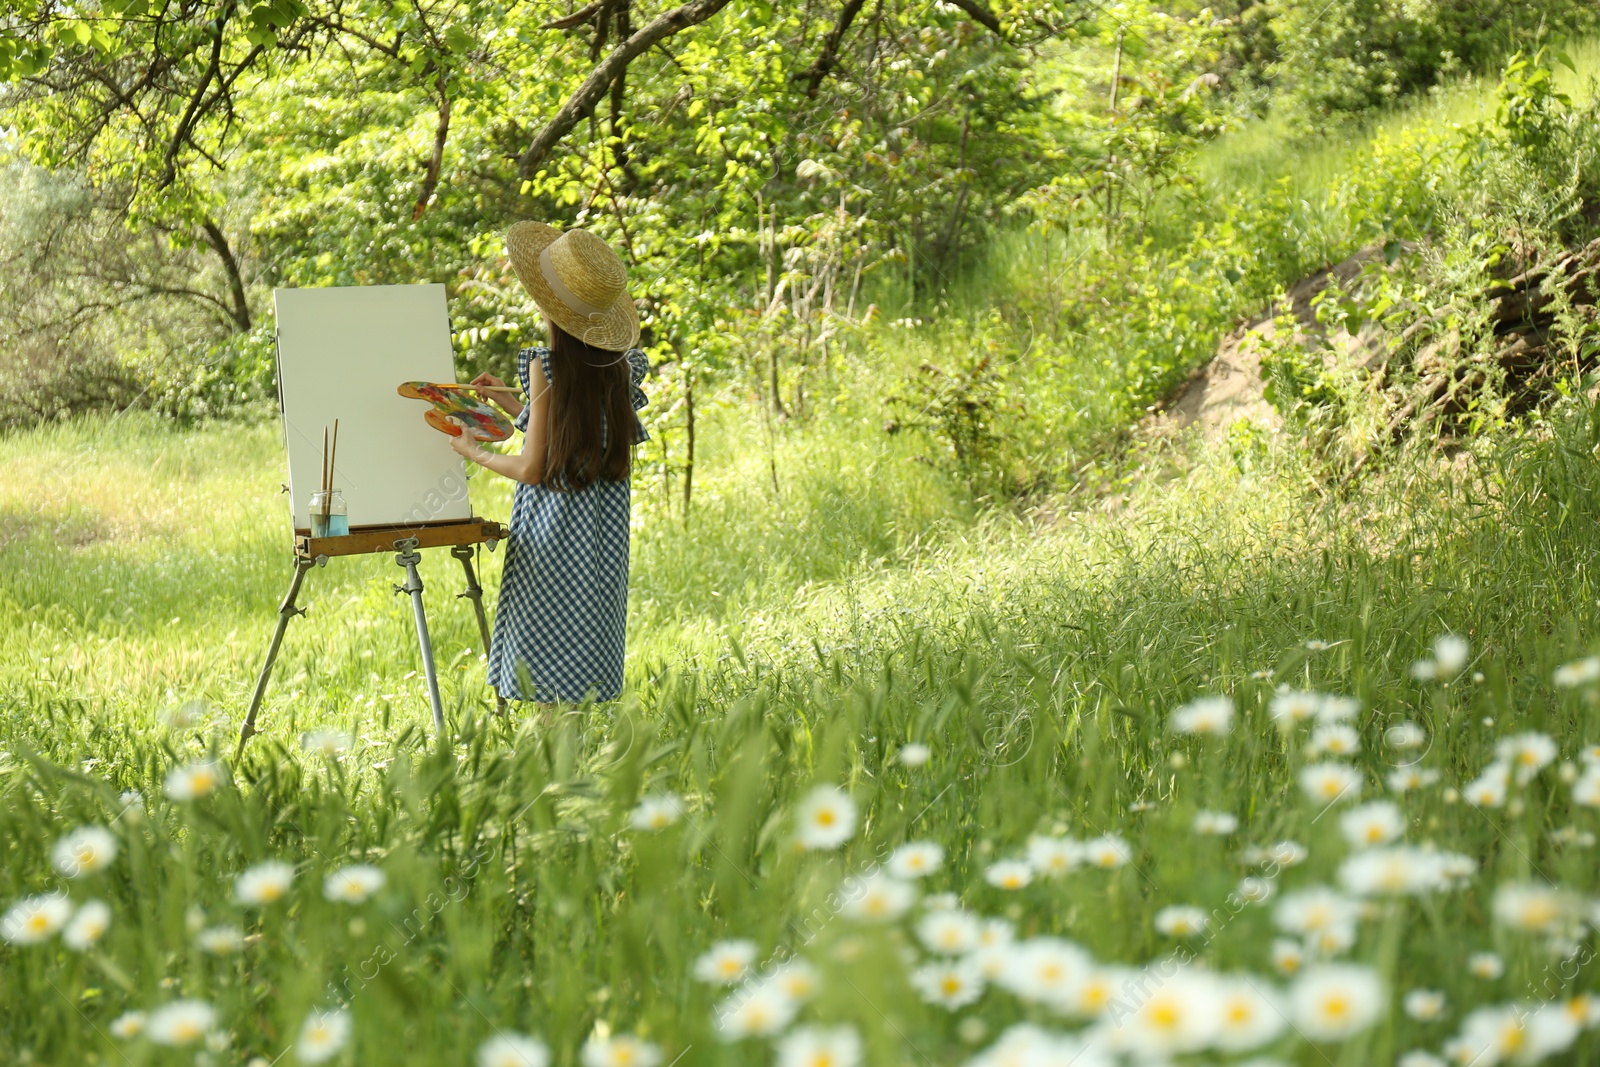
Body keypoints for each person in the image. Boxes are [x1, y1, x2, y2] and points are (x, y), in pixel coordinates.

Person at [444, 222, 649, 715]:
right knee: (575, 685)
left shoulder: (548, 365)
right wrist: (519, 406)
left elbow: (535, 468)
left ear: (548, 306)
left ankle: (555, 781)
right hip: (597, 548)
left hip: (554, 544)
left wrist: (475, 452)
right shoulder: (620, 367)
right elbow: (574, 438)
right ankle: (571, 774)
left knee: (546, 693)